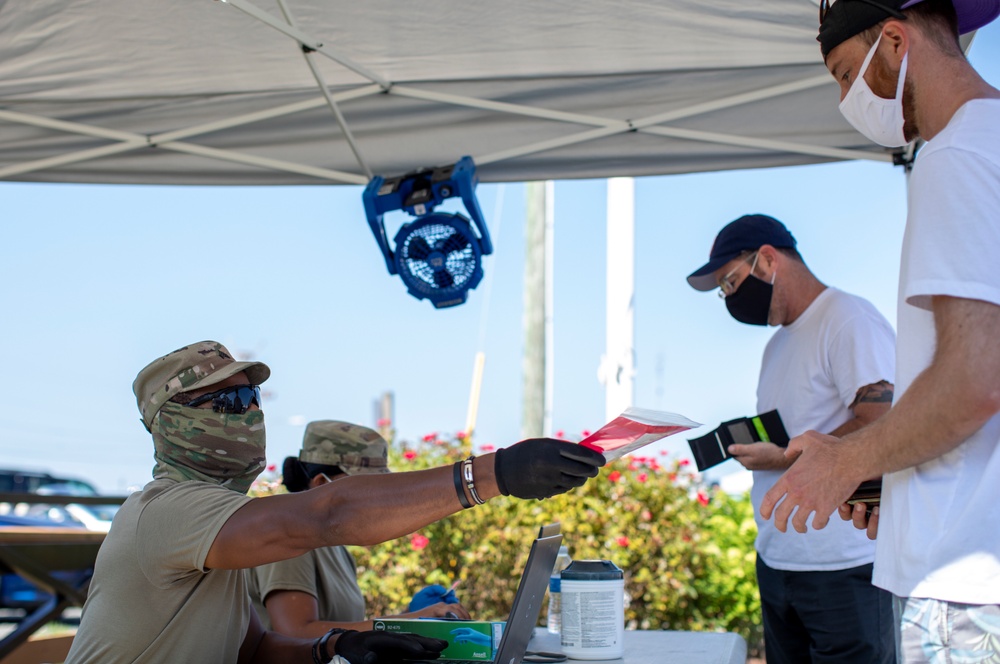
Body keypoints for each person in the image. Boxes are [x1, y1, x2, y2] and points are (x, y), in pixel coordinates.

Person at [65, 341, 605, 664]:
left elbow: (253, 651)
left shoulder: (215, 519)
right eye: (228, 401)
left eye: (251, 398)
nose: (250, 413)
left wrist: (336, 647)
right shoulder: (166, 510)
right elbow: (330, 513)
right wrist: (493, 473)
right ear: (170, 423)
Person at [758, 0, 1000, 660]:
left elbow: (974, 379)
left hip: (967, 585)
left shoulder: (957, 154)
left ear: (894, 41)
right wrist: (897, 478)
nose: (846, 99)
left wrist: (847, 461)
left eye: (843, 74)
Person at [687, 213, 896, 663]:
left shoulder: (848, 319)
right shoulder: (776, 346)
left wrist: (781, 456)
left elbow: (882, 423)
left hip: (845, 568)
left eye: (730, 282)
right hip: (780, 566)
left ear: (766, 259)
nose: (729, 298)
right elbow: (797, 431)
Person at [248, 420, 472, 638]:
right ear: (322, 484)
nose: (377, 502)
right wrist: (408, 624)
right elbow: (296, 633)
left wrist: (408, 617)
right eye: (366, 491)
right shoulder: (290, 534)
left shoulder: (335, 548)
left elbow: (346, 633)